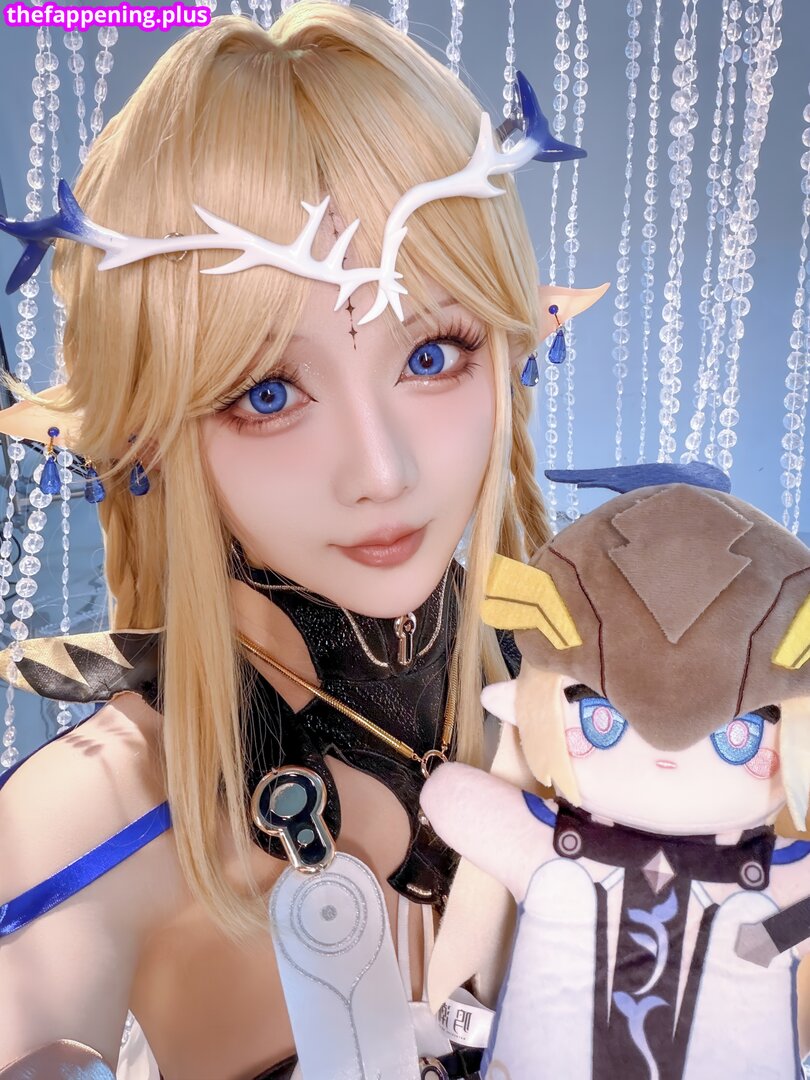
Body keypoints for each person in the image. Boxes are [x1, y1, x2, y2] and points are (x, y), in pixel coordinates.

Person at [0, 6, 605, 1077]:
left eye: (432, 356)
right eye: (269, 393)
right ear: (149, 432)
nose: (382, 472)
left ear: (509, 349)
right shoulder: (98, 809)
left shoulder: (601, 706)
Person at [422, 463, 810, 1079]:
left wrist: (772, 938)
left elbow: (450, 797)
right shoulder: (546, 845)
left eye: (736, 737)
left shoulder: (778, 877)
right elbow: (451, 799)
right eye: (602, 719)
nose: (666, 757)